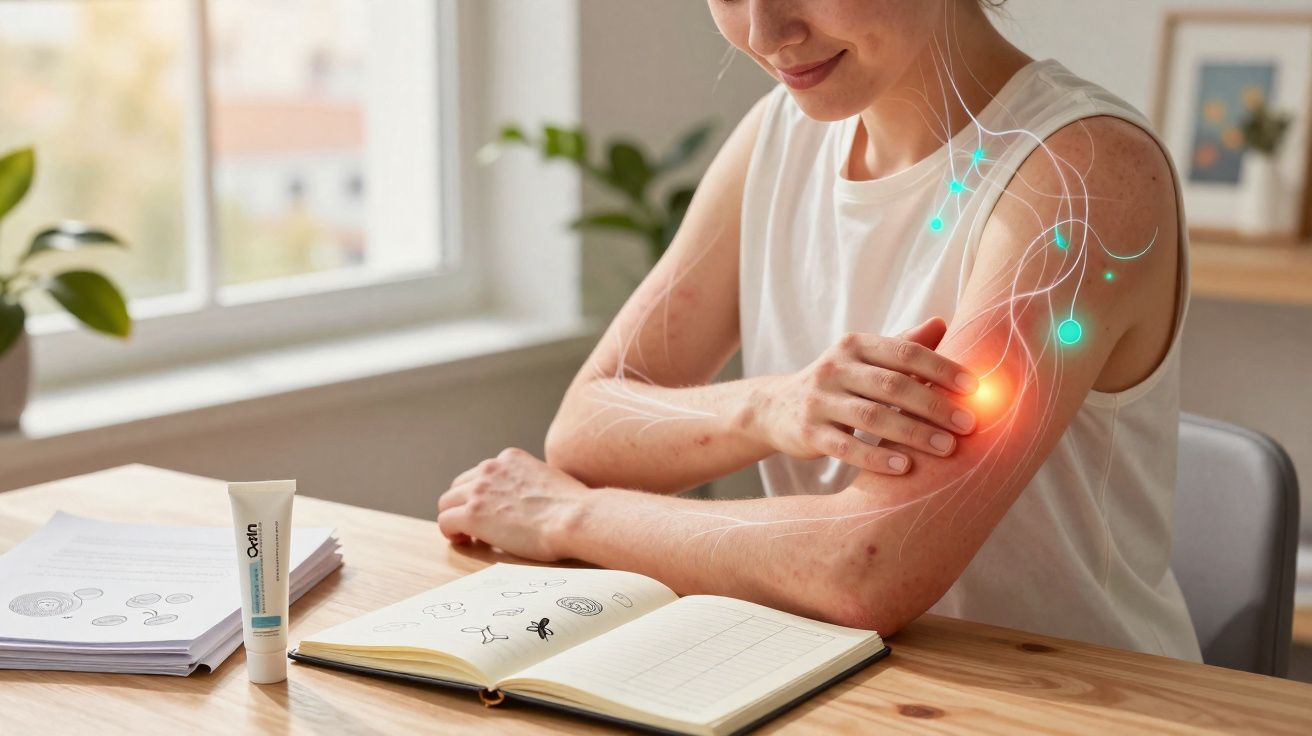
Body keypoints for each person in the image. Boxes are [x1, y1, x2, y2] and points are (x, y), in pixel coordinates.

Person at [438, 0, 1201, 660]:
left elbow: (867, 565)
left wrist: (568, 514)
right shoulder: (780, 135)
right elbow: (587, 428)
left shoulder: (1084, 174)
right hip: (848, 685)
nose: (767, 31)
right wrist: (772, 405)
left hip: (1074, 702)